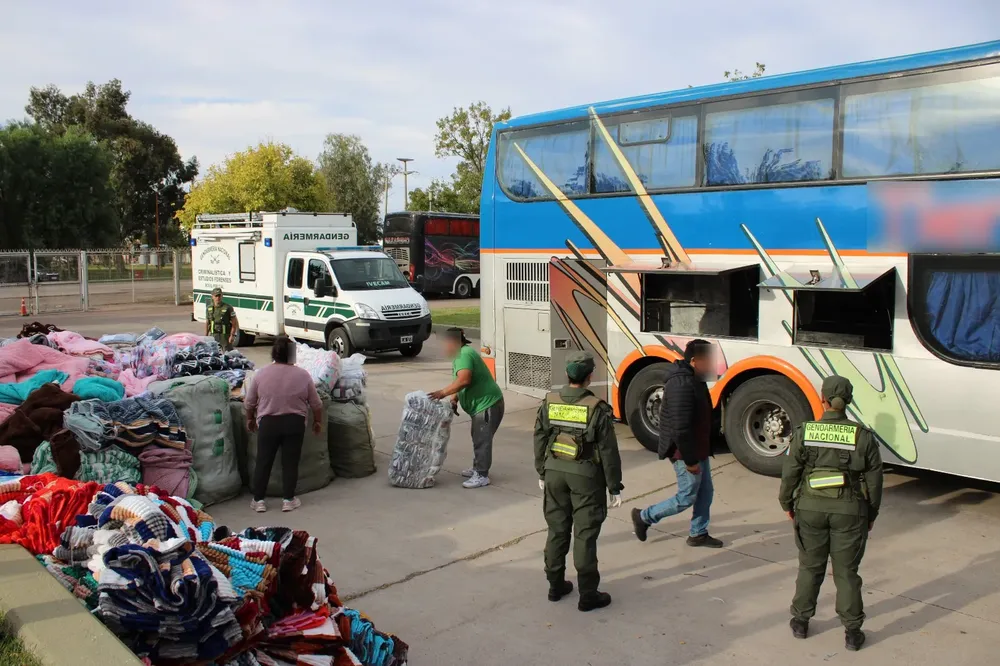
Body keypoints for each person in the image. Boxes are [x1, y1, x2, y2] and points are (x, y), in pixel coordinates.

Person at [779, 375, 883, 652]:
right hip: (850, 512)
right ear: (848, 400)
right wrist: (870, 514)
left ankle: (801, 621)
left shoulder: (805, 432)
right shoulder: (862, 437)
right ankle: (852, 631)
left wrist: (787, 504)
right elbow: (875, 482)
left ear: (823, 398)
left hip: (809, 509)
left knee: (810, 566)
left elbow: (790, 474)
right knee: (846, 572)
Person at [534, 351, 623, 612]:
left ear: (567, 374)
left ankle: (555, 586)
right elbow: (608, 451)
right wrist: (614, 486)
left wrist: (542, 471)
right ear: (590, 376)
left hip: (554, 473)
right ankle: (588, 595)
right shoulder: (597, 408)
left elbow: (540, 438)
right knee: (584, 536)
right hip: (585, 478)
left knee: (557, 530)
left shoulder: (549, 402)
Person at [631, 339, 723, 548]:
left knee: (705, 493)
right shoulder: (681, 384)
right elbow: (680, 429)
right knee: (686, 496)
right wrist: (690, 461)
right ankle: (644, 517)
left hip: (697, 448)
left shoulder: (695, 378)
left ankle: (698, 533)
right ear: (694, 361)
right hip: (684, 452)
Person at [245, 335, 323, 513]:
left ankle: (259, 500)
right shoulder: (303, 375)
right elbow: (316, 404)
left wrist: (249, 419)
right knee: (290, 462)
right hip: (294, 424)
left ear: (274, 354)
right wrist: (318, 421)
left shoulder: (261, 374)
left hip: (268, 424)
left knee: (263, 462)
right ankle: (288, 500)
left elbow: (249, 403)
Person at [429, 328, 504, 489]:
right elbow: (459, 381)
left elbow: (464, 380)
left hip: (487, 404)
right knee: (478, 437)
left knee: (482, 439)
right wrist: (454, 399)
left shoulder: (464, 354)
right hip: (482, 405)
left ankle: (482, 475)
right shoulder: (461, 354)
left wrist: (442, 393)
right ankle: (478, 467)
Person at [206, 287, 239, 351]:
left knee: (228, 353)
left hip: (225, 336)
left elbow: (234, 323)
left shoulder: (228, 308)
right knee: (214, 353)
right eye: (216, 296)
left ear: (222, 296)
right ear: (212, 297)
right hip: (213, 335)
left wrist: (232, 335)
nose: (218, 298)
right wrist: (206, 336)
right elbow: (207, 323)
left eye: (219, 296)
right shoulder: (209, 308)